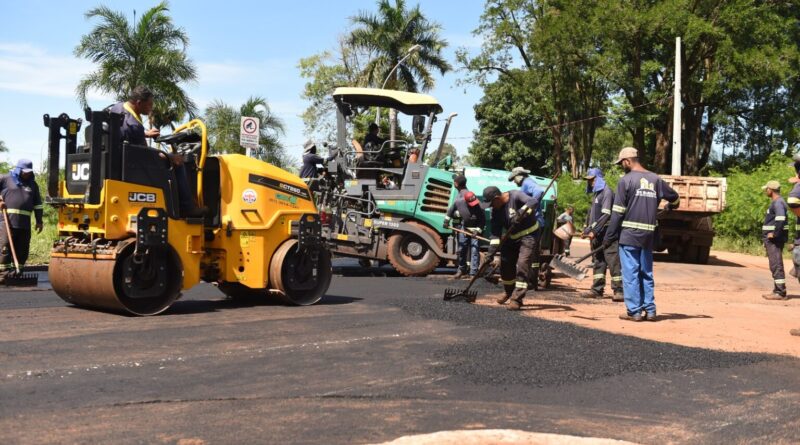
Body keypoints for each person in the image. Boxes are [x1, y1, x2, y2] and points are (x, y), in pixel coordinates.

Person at [605, 147, 679, 322]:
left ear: (627, 161)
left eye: (622, 163)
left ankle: (634, 312)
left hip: (629, 235)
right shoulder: (655, 179)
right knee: (646, 272)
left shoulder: (626, 181)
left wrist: (609, 236)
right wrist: (670, 206)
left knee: (630, 274)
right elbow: (675, 198)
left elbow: (617, 212)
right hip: (648, 236)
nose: (622, 166)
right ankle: (650, 311)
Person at [110, 86, 205, 218]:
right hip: (134, 165)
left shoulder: (118, 107)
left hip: (121, 158)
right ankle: (187, 208)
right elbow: (146, 154)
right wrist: (170, 157)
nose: (151, 108)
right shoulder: (134, 126)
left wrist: (146, 134)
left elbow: (126, 131)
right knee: (178, 163)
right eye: (149, 104)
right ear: (139, 103)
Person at [483, 185, 541, 311]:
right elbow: (495, 234)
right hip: (512, 237)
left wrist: (521, 213)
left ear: (497, 198)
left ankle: (517, 299)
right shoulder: (495, 212)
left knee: (523, 264)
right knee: (506, 263)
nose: (491, 207)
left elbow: (533, 201)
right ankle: (508, 291)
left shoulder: (515, 195)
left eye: (491, 203)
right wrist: (490, 253)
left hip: (529, 235)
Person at [581, 167, 623, 301]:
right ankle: (597, 289)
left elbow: (606, 214)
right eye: (589, 180)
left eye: (592, 179)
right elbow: (593, 216)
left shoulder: (607, 192)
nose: (590, 182)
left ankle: (619, 291)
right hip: (597, 235)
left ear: (598, 178)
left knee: (613, 262)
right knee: (599, 261)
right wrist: (587, 230)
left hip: (607, 234)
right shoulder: (596, 194)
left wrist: (594, 231)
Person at [0, 159, 43, 283]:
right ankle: (3, 274)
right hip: (7, 221)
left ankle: (17, 273)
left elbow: (38, 204)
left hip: (24, 224)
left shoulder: (33, 185)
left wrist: (39, 221)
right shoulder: (5, 179)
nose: (27, 174)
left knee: (23, 249)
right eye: (24, 171)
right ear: (18, 170)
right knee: (5, 248)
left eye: (29, 172)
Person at [508, 166, 545, 289]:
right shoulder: (526, 184)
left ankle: (530, 281)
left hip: (535, 222)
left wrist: (527, 208)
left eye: (514, 179)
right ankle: (532, 281)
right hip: (535, 222)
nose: (514, 182)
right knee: (533, 255)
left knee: (529, 255)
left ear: (519, 176)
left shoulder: (527, 182)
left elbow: (539, 192)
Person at [444, 190, 485, 279]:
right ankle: (461, 270)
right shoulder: (459, 203)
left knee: (474, 250)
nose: (473, 205)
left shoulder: (480, 206)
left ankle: (473, 273)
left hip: (476, 230)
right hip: (465, 229)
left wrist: (477, 231)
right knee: (462, 249)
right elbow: (450, 211)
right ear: (466, 202)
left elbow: (483, 221)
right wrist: (446, 221)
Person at [761, 180, 789, 300]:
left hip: (774, 240)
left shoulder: (778, 202)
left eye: (766, 189)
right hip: (772, 240)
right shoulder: (778, 202)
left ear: (770, 190)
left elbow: (781, 219)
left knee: (776, 264)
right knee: (775, 264)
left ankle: (780, 292)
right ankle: (777, 290)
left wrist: (775, 234)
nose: (766, 191)